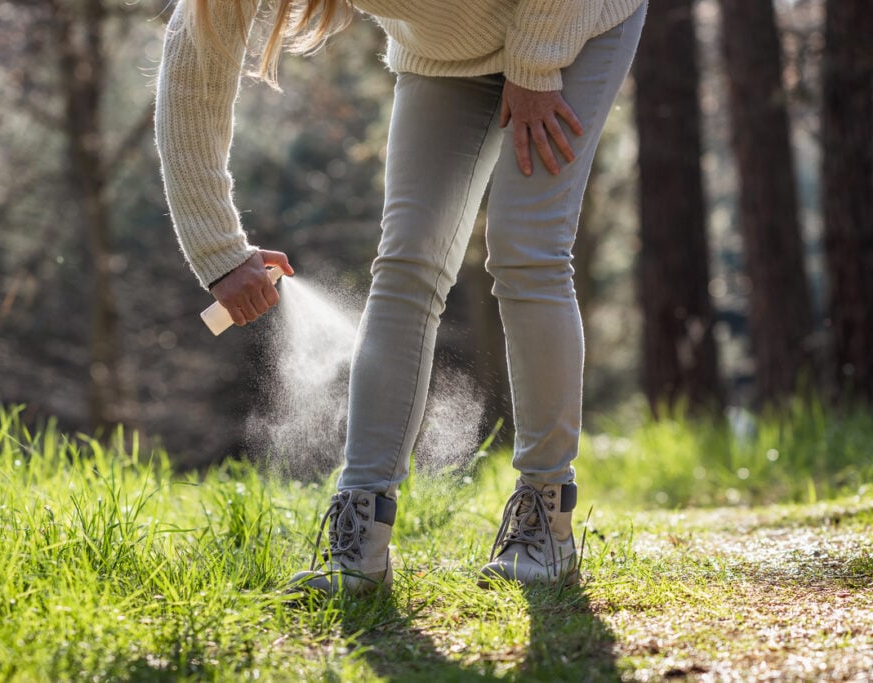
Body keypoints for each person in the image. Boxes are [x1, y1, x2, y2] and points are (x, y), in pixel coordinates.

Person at [155, 0, 647, 595]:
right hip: (445, 52)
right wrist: (220, 252)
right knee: (406, 265)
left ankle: (546, 520)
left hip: (573, 20)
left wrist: (535, 67)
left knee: (527, 249)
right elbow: (193, 71)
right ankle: (359, 540)